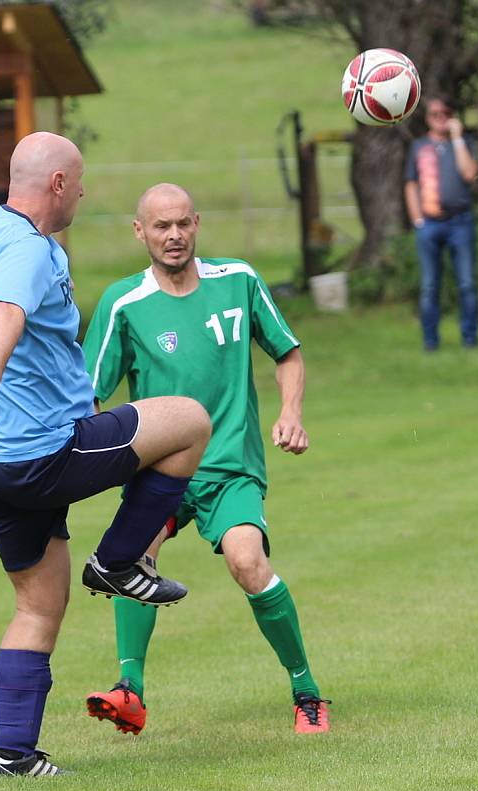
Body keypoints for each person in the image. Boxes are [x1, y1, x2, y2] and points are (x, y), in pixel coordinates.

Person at [0, 133, 211, 778]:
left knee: (38, 605)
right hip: (44, 452)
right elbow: (3, 311)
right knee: (188, 421)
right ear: (60, 185)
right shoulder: (29, 248)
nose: (85, 193)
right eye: (81, 181)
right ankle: (121, 562)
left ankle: (10, 754)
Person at [82, 183, 330, 736]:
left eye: (182, 224)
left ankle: (306, 690)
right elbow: (87, 398)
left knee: (247, 562)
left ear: (196, 223)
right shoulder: (124, 304)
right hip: (159, 470)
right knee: (130, 561)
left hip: (228, 466)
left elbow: (287, 352)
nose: (173, 236)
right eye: (160, 227)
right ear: (139, 231)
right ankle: (130, 692)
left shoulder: (239, 280)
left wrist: (292, 412)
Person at [404, 94, 478, 351]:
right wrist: (417, 219)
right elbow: (411, 184)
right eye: (435, 114)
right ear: (427, 118)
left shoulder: (465, 143)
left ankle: (470, 339)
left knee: (467, 283)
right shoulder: (419, 147)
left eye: (445, 114)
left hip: (460, 222)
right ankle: (430, 341)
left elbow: (469, 173)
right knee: (429, 285)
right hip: (430, 224)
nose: (440, 119)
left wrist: (457, 137)